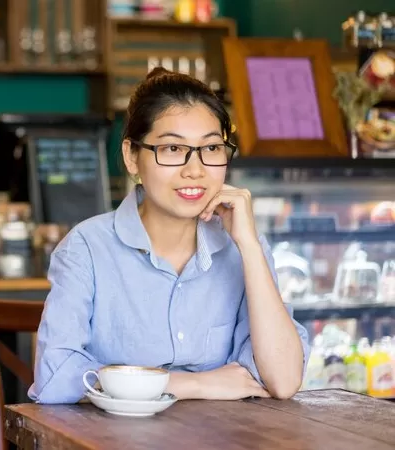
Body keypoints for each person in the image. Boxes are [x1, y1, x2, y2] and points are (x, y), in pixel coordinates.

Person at [28, 68, 310, 404]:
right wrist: (197, 385)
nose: (196, 170)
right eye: (173, 149)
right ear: (132, 156)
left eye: (212, 148)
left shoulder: (241, 247)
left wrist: (249, 246)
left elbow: (282, 381)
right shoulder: (86, 248)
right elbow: (56, 376)